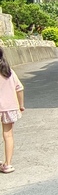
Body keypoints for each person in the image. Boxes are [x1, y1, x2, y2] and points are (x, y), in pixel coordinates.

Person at [0, 46, 25, 174]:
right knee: (8, 135)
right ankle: (8, 164)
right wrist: (21, 105)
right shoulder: (9, 72)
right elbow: (19, 88)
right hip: (9, 108)